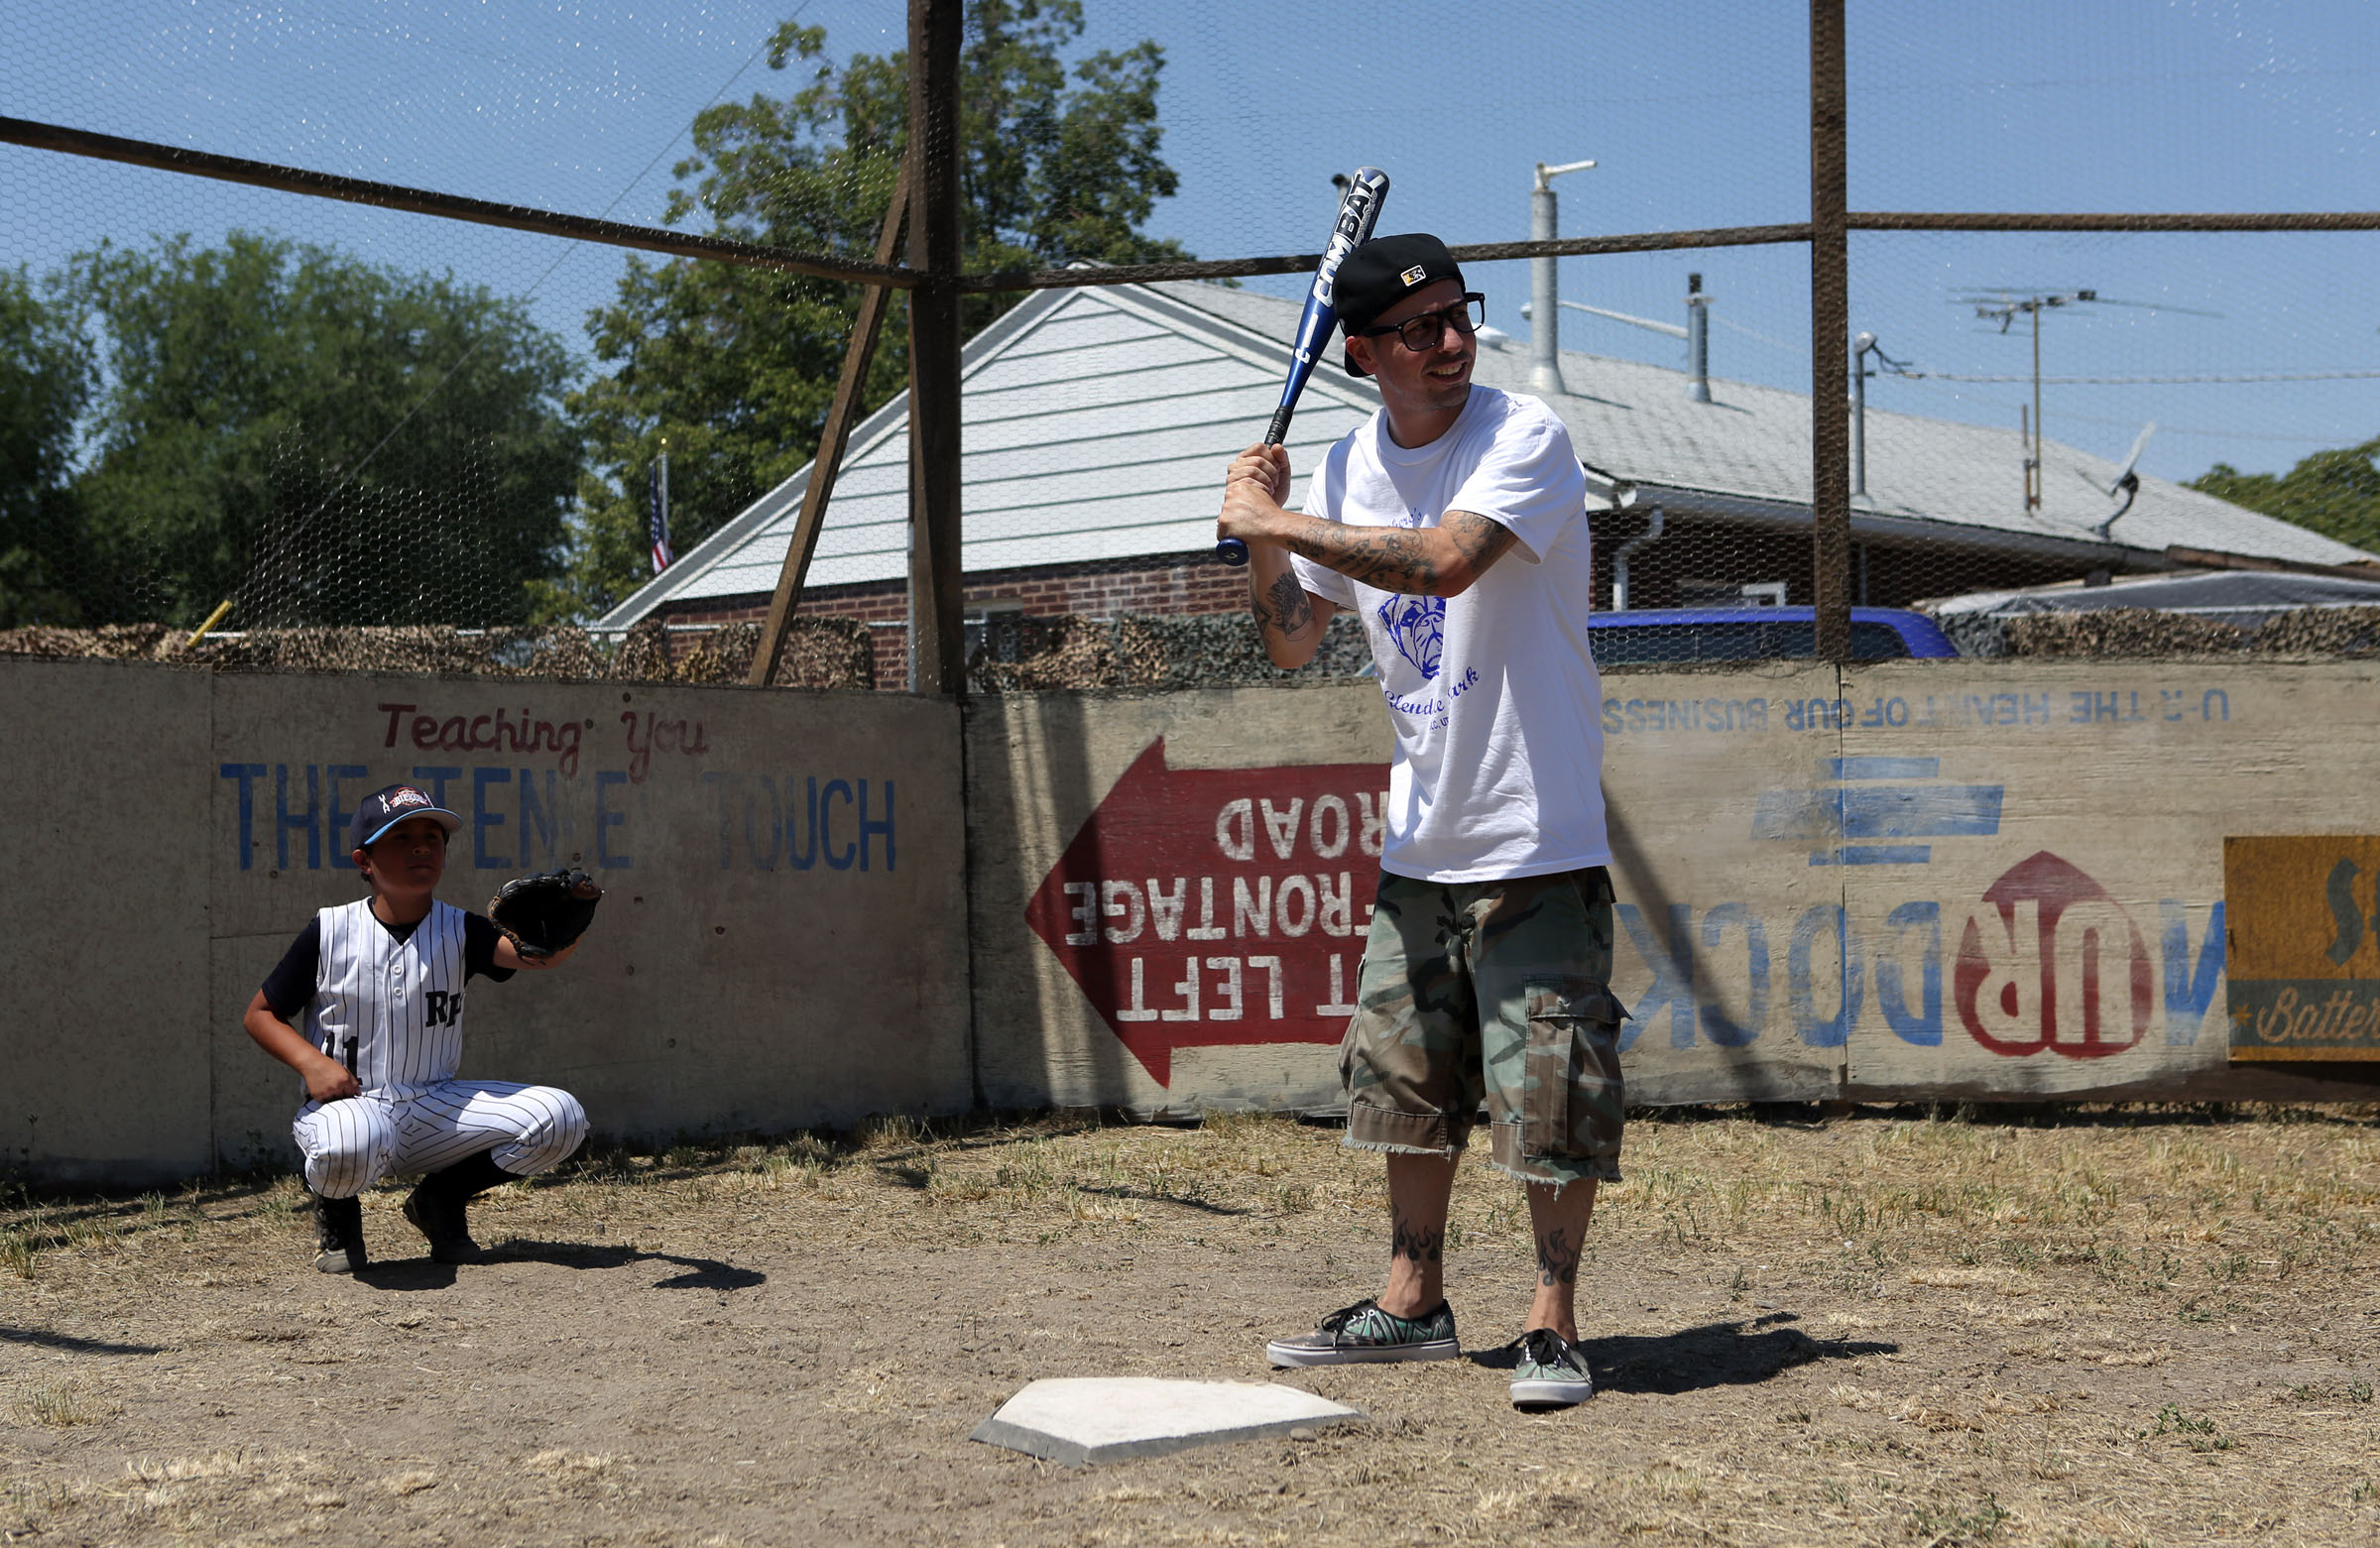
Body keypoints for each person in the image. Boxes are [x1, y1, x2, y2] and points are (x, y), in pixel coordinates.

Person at [1216, 233, 1624, 1410]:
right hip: (1420, 839)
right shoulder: (1345, 469)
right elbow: (1295, 636)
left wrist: (1281, 526)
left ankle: (1551, 1324)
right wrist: (1262, 538)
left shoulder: (1524, 438)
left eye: (1458, 316)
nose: (1449, 343)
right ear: (1364, 354)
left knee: (1551, 1089)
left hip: (1535, 831)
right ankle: (1412, 1302)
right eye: (1417, 329)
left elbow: (1444, 564)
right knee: (1404, 1083)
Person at [242, 782, 591, 1273]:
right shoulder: (329, 930)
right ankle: (338, 1215)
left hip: (436, 1105)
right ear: (365, 861)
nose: (423, 845)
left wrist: (564, 929)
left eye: (433, 835)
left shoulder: (462, 928)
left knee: (561, 1118)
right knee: (349, 1143)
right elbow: (259, 1014)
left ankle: (439, 1200)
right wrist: (311, 1062)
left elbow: (535, 957)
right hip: (351, 1106)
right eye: (401, 837)